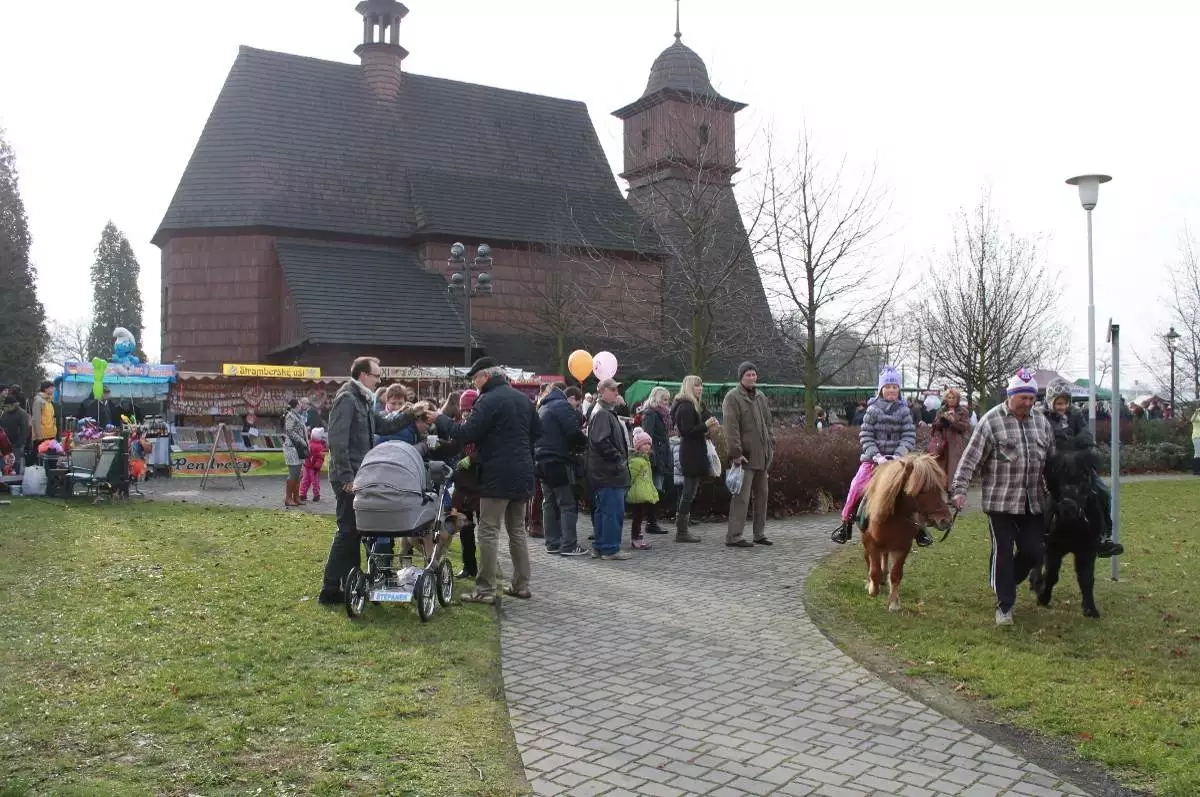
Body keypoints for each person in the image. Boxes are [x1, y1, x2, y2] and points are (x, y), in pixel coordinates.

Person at [951, 369, 1056, 626]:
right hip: (1001, 502)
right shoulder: (991, 421)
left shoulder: (1041, 421)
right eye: (1023, 398)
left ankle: (1003, 582)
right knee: (1004, 552)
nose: (1028, 404)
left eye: (1032, 399)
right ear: (1011, 395)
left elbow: (1053, 460)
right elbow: (970, 460)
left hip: (1033, 500)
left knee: (1034, 551)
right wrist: (959, 490)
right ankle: (1005, 606)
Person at [431, 357, 539, 603]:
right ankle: (521, 585)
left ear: (486, 376)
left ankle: (485, 589)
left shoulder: (487, 401)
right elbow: (537, 432)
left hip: (497, 476)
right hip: (522, 472)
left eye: (475, 378)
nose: (474, 383)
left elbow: (465, 433)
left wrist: (440, 419)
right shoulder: (522, 399)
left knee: (488, 531)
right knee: (517, 532)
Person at [317, 357, 415, 605]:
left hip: (360, 476)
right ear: (362, 375)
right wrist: (347, 478)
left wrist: (411, 413)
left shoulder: (362, 400)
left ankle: (351, 583)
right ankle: (329, 589)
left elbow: (383, 424)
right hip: (348, 478)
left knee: (354, 531)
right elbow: (337, 442)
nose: (379, 380)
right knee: (347, 530)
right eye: (376, 376)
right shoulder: (347, 399)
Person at [831, 366, 922, 545]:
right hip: (874, 460)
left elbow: (909, 435)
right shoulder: (871, 410)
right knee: (856, 486)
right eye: (887, 387)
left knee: (916, 488)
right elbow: (866, 435)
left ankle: (920, 528)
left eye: (895, 387)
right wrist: (877, 456)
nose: (891, 390)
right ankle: (846, 523)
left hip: (898, 461)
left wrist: (898, 454)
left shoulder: (904, 411)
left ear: (899, 390)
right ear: (881, 389)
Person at [1041, 379, 1124, 557]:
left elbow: (1086, 435)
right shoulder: (1042, 416)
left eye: (1066, 402)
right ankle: (1044, 533)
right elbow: (1050, 439)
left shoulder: (1076, 414)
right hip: (1054, 465)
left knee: (1102, 492)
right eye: (1059, 403)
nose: (1063, 407)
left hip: (1078, 464)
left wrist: (1085, 447)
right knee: (1050, 495)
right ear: (1051, 401)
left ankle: (1103, 535)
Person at [722, 361, 776, 548]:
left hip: (762, 456)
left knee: (762, 496)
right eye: (748, 375)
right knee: (741, 498)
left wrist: (771, 443)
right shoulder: (732, 397)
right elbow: (730, 427)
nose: (752, 378)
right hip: (745, 457)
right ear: (741, 377)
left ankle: (759, 533)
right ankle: (734, 536)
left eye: (754, 374)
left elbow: (768, 423)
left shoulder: (760, 396)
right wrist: (735, 453)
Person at [535, 382, 588, 557]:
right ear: (569, 397)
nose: (577, 407)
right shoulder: (562, 406)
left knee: (548, 502)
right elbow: (572, 433)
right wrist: (584, 443)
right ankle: (569, 545)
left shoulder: (543, 407)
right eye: (578, 404)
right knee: (567, 503)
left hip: (541, 460)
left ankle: (552, 542)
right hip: (558, 460)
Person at [587, 378, 631, 560]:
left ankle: (601, 546)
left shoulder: (602, 412)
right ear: (602, 391)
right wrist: (618, 458)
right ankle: (610, 548)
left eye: (617, 390)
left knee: (603, 511)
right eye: (613, 389)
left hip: (603, 472)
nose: (616, 393)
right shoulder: (603, 414)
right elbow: (601, 441)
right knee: (612, 512)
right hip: (608, 472)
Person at [670, 375, 709, 543]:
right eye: (696, 386)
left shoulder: (693, 405)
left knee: (690, 492)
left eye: (701, 386)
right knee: (688, 492)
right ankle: (682, 531)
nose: (700, 389)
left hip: (694, 451)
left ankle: (683, 529)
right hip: (691, 452)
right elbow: (687, 431)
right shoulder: (685, 407)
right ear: (689, 387)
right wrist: (705, 426)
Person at [450, 389, 481, 579]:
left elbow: (488, 449)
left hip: (480, 483)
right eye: (463, 410)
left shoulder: (483, 427)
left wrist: (472, 458)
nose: (466, 413)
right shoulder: (459, 426)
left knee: (486, 531)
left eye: (469, 409)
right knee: (465, 528)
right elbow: (453, 446)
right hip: (463, 485)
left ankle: (485, 570)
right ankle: (469, 567)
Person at [638, 386, 673, 534]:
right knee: (654, 489)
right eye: (664, 399)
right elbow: (648, 435)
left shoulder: (661, 414)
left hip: (662, 453)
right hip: (655, 455)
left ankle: (652, 520)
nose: (667, 402)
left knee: (657, 489)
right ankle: (651, 522)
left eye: (667, 399)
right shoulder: (652, 414)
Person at [931, 387, 971, 492]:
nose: (951, 399)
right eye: (949, 397)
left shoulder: (963, 411)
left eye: (954, 397)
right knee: (942, 467)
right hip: (942, 442)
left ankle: (952, 492)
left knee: (954, 468)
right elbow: (935, 426)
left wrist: (953, 421)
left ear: (958, 399)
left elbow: (965, 427)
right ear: (946, 398)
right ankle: (942, 491)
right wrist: (942, 421)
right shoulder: (941, 410)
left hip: (956, 443)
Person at [626, 429, 659, 550]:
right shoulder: (636, 461)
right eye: (644, 444)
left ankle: (638, 536)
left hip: (643, 493)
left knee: (640, 517)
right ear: (638, 446)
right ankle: (635, 538)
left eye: (649, 444)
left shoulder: (646, 460)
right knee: (637, 517)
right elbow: (631, 477)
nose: (647, 446)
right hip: (637, 494)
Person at [282, 398, 309, 507]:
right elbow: (289, 430)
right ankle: (288, 498)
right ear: (296, 405)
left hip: (298, 448)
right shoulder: (290, 416)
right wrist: (301, 440)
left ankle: (296, 497)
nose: (301, 405)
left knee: (298, 474)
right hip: (292, 448)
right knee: (293, 474)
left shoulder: (297, 416)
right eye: (299, 404)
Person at [0, 394, 30, 475]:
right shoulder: (5, 413)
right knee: (5, 462)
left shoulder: (22, 413)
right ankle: (5, 479)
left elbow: (24, 430)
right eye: (5, 406)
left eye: (7, 406)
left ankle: (16, 480)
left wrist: (19, 443)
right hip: (5, 443)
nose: (5, 408)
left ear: (13, 405)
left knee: (16, 462)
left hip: (17, 443)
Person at [300, 427, 327, 503]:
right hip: (311, 467)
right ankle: (315, 495)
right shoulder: (318, 446)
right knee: (313, 481)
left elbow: (319, 458)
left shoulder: (311, 444)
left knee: (305, 480)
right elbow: (320, 458)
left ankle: (303, 494)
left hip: (310, 467)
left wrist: (317, 466)